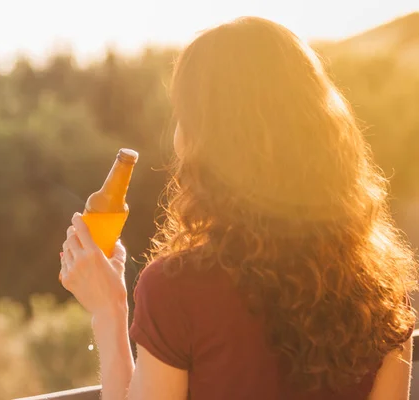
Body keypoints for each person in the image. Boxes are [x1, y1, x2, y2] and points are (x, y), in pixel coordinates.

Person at [59, 16, 417, 400]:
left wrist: (108, 311)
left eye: (183, 116)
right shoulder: (379, 291)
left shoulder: (175, 289)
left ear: (206, 142)